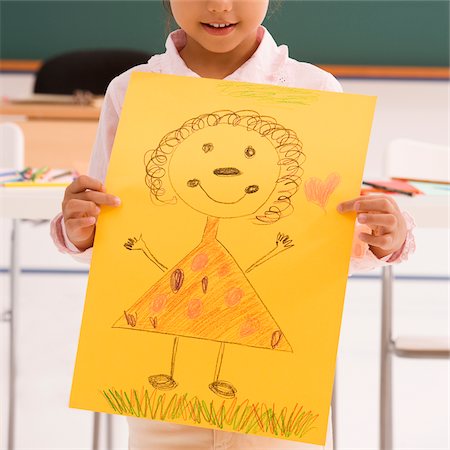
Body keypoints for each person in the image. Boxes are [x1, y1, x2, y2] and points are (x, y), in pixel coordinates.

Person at [51, 1, 415, 448]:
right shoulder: (134, 91)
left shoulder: (313, 89)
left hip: (277, 397)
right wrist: (80, 228)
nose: (220, 5)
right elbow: (108, 234)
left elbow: (328, 243)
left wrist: (383, 237)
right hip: (156, 401)